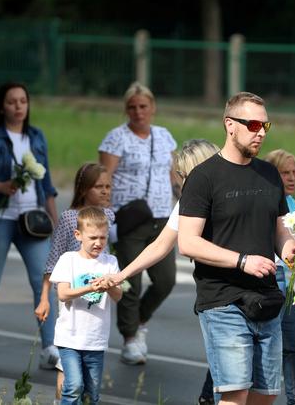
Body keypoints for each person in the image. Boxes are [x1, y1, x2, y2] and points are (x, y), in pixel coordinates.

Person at [177, 92, 295, 405]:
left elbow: (279, 230)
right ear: (230, 125)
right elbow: (188, 242)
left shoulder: (268, 174)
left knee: (264, 397)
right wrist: (241, 261)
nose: (261, 132)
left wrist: (291, 251)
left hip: (266, 299)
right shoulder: (204, 177)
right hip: (223, 301)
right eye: (253, 124)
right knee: (234, 395)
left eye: (266, 125)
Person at [98, 138, 220, 404]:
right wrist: (121, 275)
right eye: (180, 175)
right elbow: (161, 246)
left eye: (186, 174)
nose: (182, 182)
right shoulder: (190, 200)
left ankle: (209, 396)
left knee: (243, 369)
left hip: (251, 286)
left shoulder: (236, 192)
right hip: (215, 293)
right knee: (224, 359)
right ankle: (208, 397)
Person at [0, 82, 60, 368]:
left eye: (22, 101)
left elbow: (47, 184)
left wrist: (56, 221)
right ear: (1, 106)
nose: (18, 106)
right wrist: (0, 186)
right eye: (11, 102)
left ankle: (49, 348)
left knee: (42, 283)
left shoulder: (36, 137)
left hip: (33, 222)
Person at [98, 81, 178, 365]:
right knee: (131, 281)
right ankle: (130, 339)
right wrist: (102, 219)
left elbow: (174, 175)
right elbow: (103, 180)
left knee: (166, 280)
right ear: (126, 110)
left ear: (152, 108)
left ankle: (140, 320)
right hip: (129, 219)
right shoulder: (116, 138)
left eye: (143, 106)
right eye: (132, 107)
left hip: (162, 219)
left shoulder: (164, 136)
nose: (138, 112)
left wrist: (186, 203)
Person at [34, 163, 115, 401]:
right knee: (67, 364)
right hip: (71, 291)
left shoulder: (108, 215)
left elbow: (107, 252)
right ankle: (62, 400)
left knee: (85, 363)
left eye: (108, 186)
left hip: (96, 296)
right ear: (83, 189)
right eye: (98, 186)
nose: (105, 191)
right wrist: (44, 298)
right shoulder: (71, 218)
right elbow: (53, 259)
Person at [50, 207, 122, 404]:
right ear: (78, 235)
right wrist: (90, 287)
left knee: (92, 394)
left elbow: (119, 296)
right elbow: (63, 293)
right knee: (73, 386)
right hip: (69, 339)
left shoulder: (110, 262)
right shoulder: (68, 260)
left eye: (103, 237)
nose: (98, 243)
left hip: (95, 340)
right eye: (92, 238)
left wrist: (109, 286)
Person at [264, 149, 295, 405]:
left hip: (289, 280)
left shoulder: (294, 204)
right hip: (267, 280)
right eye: (285, 173)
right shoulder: (265, 200)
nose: (292, 178)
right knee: (256, 347)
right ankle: (210, 393)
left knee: (294, 346)